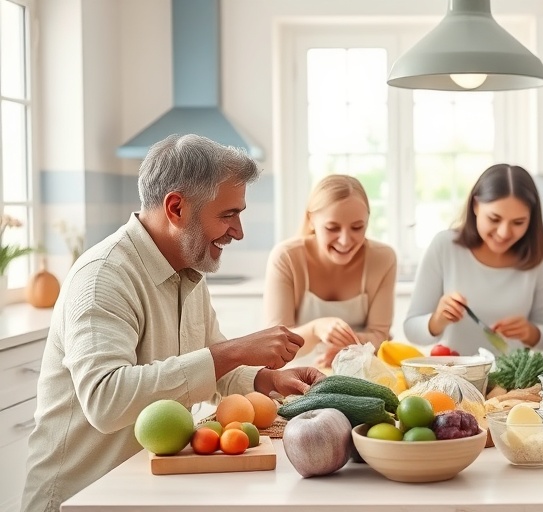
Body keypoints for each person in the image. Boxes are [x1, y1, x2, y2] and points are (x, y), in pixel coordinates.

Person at [21, 134, 323, 512]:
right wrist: (234, 350)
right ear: (177, 207)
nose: (239, 231)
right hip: (79, 498)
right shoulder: (104, 278)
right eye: (228, 214)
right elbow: (106, 401)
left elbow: (214, 368)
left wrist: (268, 379)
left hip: (144, 487)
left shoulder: (189, 269)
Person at [404, 164, 543, 355]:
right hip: (454, 373)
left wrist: (530, 332)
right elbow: (411, 329)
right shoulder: (444, 246)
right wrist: (437, 320)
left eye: (518, 222)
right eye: (494, 219)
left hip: (515, 380)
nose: (504, 233)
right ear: (475, 205)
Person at [264, 175, 396, 369]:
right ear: (311, 220)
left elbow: (380, 336)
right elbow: (273, 344)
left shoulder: (383, 258)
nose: (345, 240)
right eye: (332, 228)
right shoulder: (286, 257)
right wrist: (317, 328)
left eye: (357, 227)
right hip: (293, 378)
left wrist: (345, 352)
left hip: (359, 375)